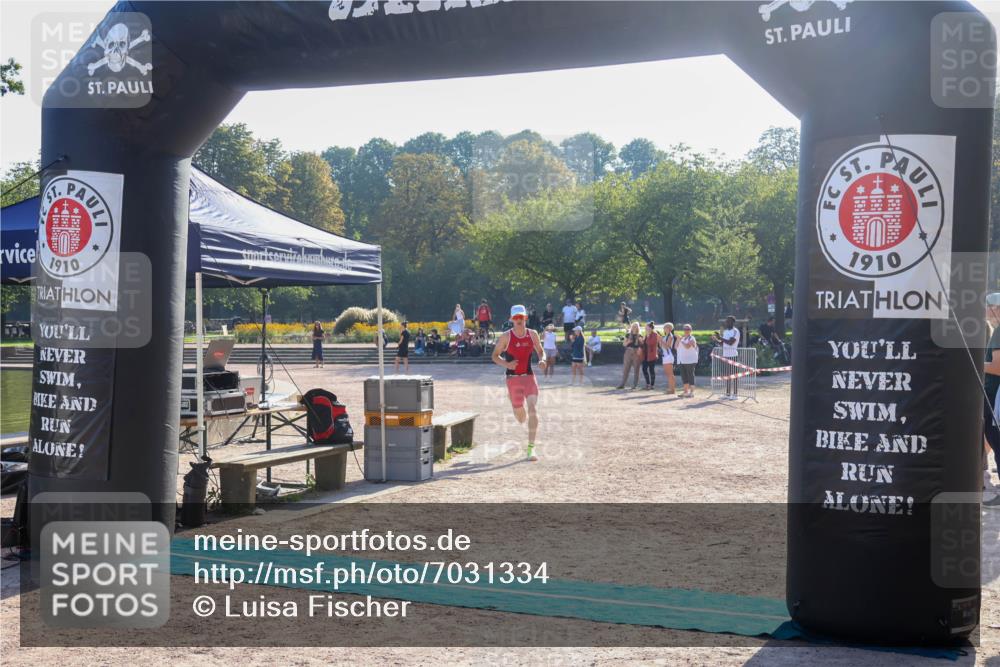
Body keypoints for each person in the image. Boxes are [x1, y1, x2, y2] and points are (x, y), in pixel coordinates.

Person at [492, 304, 548, 461]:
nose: (518, 320)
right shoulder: (506, 337)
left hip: (529, 377)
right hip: (513, 379)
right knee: (521, 417)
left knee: (532, 410)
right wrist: (507, 364)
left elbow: (540, 350)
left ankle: (531, 448)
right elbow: (495, 356)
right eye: (516, 318)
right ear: (511, 319)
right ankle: (514, 404)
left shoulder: (533, 334)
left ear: (525, 318)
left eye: (521, 317)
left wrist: (542, 360)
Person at [984, 293, 1000, 494]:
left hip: (995, 394)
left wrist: (971, 363)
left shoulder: (998, 332)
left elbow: (997, 367)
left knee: (995, 438)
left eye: (987, 307)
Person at [717, 315, 741, 399]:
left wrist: (720, 338)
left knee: (734, 375)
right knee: (727, 375)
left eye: (729, 321)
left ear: (733, 322)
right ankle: (727, 394)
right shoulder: (726, 331)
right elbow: (722, 343)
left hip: (733, 355)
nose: (727, 323)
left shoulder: (735, 331)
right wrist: (716, 339)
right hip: (725, 355)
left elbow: (731, 342)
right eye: (726, 321)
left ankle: (735, 394)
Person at [617, 322, 643, 390]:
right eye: (633, 326)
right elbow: (624, 344)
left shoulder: (640, 335)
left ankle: (635, 385)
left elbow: (642, 345)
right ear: (631, 327)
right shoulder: (628, 335)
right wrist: (628, 342)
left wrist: (641, 343)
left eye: (636, 326)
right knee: (626, 369)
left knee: (636, 369)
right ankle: (622, 384)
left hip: (636, 353)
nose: (635, 328)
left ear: (638, 328)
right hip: (628, 352)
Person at [676, 324, 699, 398]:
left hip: (690, 360)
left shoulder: (692, 338)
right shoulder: (682, 338)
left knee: (690, 375)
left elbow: (687, 347)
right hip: (681, 360)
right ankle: (685, 391)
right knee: (684, 376)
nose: (686, 330)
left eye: (688, 329)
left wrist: (680, 340)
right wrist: (678, 340)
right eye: (685, 329)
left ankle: (692, 392)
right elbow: (675, 347)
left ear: (690, 330)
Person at [640, 321, 660, 389]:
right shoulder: (646, 334)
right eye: (645, 328)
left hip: (652, 355)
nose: (646, 329)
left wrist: (648, 336)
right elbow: (644, 344)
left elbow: (650, 343)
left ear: (651, 328)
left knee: (651, 370)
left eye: (647, 328)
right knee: (644, 369)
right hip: (645, 355)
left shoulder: (655, 334)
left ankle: (652, 385)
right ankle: (648, 384)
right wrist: (642, 340)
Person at [660, 322, 677, 395]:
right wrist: (660, 341)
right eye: (664, 327)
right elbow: (662, 346)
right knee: (668, 374)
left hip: (669, 356)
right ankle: (670, 388)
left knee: (670, 374)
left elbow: (667, 346)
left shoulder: (670, 336)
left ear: (669, 329)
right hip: (665, 356)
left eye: (665, 327)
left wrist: (660, 340)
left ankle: (672, 389)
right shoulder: (664, 336)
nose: (664, 329)